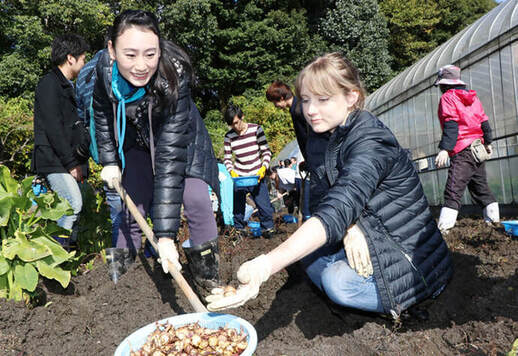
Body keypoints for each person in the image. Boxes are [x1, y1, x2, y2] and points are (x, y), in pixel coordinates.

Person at [207, 53, 453, 321]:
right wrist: (350, 227)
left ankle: (401, 307)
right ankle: (364, 293)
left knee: (337, 282)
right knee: (308, 259)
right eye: (307, 100)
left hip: (412, 263)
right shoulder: (329, 137)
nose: (310, 110)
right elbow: (328, 196)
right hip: (375, 236)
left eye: (323, 99)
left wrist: (264, 266)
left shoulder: (371, 141)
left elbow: (341, 203)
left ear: (351, 97)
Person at [92, 10, 221, 290]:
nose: (141, 65)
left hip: (181, 141)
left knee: (197, 197)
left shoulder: (173, 74)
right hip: (136, 140)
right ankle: (120, 287)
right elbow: (101, 115)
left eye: (150, 54)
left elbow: (169, 159)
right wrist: (109, 160)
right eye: (131, 55)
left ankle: (208, 277)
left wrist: (165, 236)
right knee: (131, 201)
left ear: (159, 49)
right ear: (112, 50)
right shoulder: (103, 72)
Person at [32, 34, 90, 249]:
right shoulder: (49, 84)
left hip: (68, 160)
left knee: (74, 208)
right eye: (83, 58)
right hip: (54, 159)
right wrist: (71, 163)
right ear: (70, 58)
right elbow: (53, 128)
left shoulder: (68, 86)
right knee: (72, 204)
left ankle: (67, 262)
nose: (84, 63)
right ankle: (54, 257)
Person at [434, 65, 500, 233]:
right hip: (477, 149)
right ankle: (494, 224)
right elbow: (483, 121)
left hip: (462, 149)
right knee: (480, 187)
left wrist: (445, 149)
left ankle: (444, 231)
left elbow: (451, 124)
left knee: (453, 189)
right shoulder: (473, 97)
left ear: (445, 84)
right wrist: (488, 142)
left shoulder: (448, 98)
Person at [75, 48, 123, 247]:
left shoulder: (84, 73)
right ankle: (145, 251)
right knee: (142, 194)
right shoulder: (118, 65)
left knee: (114, 197)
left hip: (100, 148)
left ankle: (121, 250)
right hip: (123, 143)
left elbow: (80, 115)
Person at [223, 103, 275, 238]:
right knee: (238, 208)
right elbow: (227, 158)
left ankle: (267, 230)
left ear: (242, 117)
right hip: (240, 176)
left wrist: (264, 167)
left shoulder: (256, 129)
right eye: (231, 124)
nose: (234, 127)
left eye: (236, 122)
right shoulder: (228, 136)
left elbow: (266, 151)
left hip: (257, 174)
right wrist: (231, 171)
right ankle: (239, 230)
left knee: (264, 206)